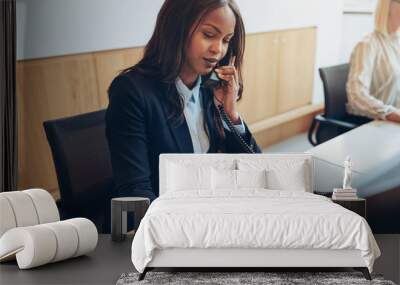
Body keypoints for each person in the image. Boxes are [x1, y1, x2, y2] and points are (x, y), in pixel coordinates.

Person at [105, 0, 261, 201]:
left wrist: (230, 114)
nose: (218, 50)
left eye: (226, 40)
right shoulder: (131, 91)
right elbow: (136, 191)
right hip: (164, 219)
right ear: (177, 28)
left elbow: (254, 170)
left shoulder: (210, 87)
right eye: (208, 35)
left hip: (207, 208)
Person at [346, 0, 400, 123]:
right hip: (375, 124)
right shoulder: (367, 45)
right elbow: (357, 96)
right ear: (388, 6)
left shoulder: (396, 42)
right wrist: (391, 114)